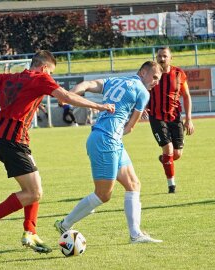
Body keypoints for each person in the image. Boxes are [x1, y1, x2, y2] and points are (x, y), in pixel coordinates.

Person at [0, 50, 115, 253]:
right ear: (45, 68)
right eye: (51, 72)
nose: (51, 77)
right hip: (12, 141)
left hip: (9, 138)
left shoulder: (12, 77)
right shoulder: (40, 78)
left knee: (35, 188)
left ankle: (30, 232)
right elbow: (65, 96)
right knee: (33, 192)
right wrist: (99, 106)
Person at [54, 61, 164, 244]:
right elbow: (130, 127)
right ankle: (64, 224)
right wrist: (123, 124)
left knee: (133, 184)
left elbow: (87, 85)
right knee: (103, 195)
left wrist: (68, 95)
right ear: (143, 72)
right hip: (108, 140)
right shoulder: (143, 93)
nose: (155, 82)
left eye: (158, 80)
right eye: (154, 77)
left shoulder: (115, 81)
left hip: (107, 139)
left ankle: (135, 234)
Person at [147, 47, 194, 194]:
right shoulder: (151, 75)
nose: (161, 59)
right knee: (168, 149)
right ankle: (171, 185)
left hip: (175, 117)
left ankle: (165, 159)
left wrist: (189, 119)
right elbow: (141, 91)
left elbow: (186, 96)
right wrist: (141, 108)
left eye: (164, 56)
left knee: (177, 154)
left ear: (170, 58)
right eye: (159, 56)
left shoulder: (179, 74)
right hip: (156, 117)